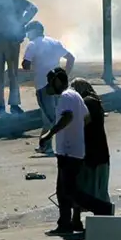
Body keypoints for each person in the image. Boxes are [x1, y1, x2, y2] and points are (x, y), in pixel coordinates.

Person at [39, 67, 115, 235]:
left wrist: (50, 134)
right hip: (73, 150)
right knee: (64, 191)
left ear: (58, 81)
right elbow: (86, 118)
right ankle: (65, 223)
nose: (48, 87)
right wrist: (76, 135)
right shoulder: (75, 96)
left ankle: (103, 208)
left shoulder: (67, 96)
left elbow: (68, 117)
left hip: (69, 152)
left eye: (51, 83)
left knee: (71, 191)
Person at [21, 21, 75, 155]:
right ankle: (44, 145)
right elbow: (71, 58)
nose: (27, 35)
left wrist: (28, 64)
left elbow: (25, 65)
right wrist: (64, 77)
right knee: (51, 117)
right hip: (58, 86)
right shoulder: (54, 42)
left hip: (43, 87)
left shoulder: (32, 45)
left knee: (50, 118)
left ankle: (57, 145)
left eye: (29, 32)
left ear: (34, 32)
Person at [69, 78, 111, 229]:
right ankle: (97, 219)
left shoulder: (88, 102)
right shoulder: (94, 102)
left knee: (84, 187)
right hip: (97, 151)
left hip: (91, 152)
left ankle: (85, 219)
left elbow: (82, 123)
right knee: (96, 187)